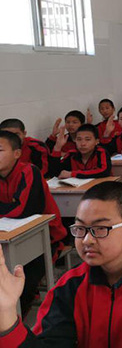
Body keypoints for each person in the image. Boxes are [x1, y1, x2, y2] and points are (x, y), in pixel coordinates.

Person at [0, 181, 122, 347]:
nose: (87, 240)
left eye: (100, 228)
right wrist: (7, 317)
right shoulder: (69, 286)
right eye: (80, 228)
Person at [0, 130, 67, 315]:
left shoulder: (29, 171)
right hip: (7, 238)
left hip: (45, 237)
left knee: (23, 284)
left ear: (17, 153)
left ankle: (16, 321)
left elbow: (23, 210)